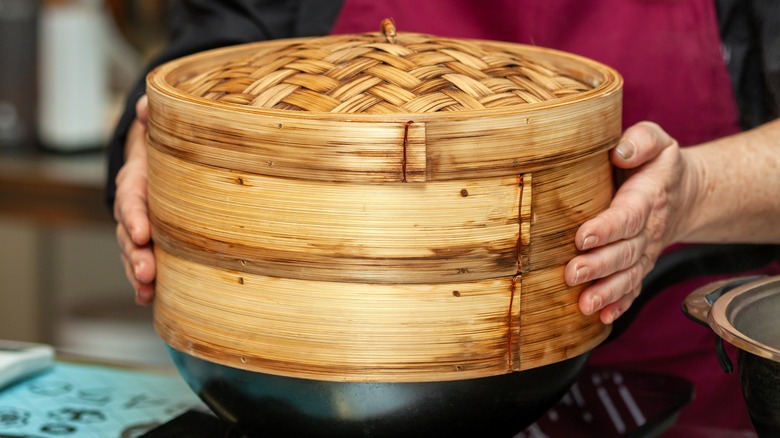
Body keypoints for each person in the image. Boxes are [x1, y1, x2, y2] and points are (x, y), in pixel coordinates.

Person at [107, 1, 780, 435]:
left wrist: (689, 190)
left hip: (691, 395)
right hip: (281, 377)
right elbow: (204, 53)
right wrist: (152, 145)